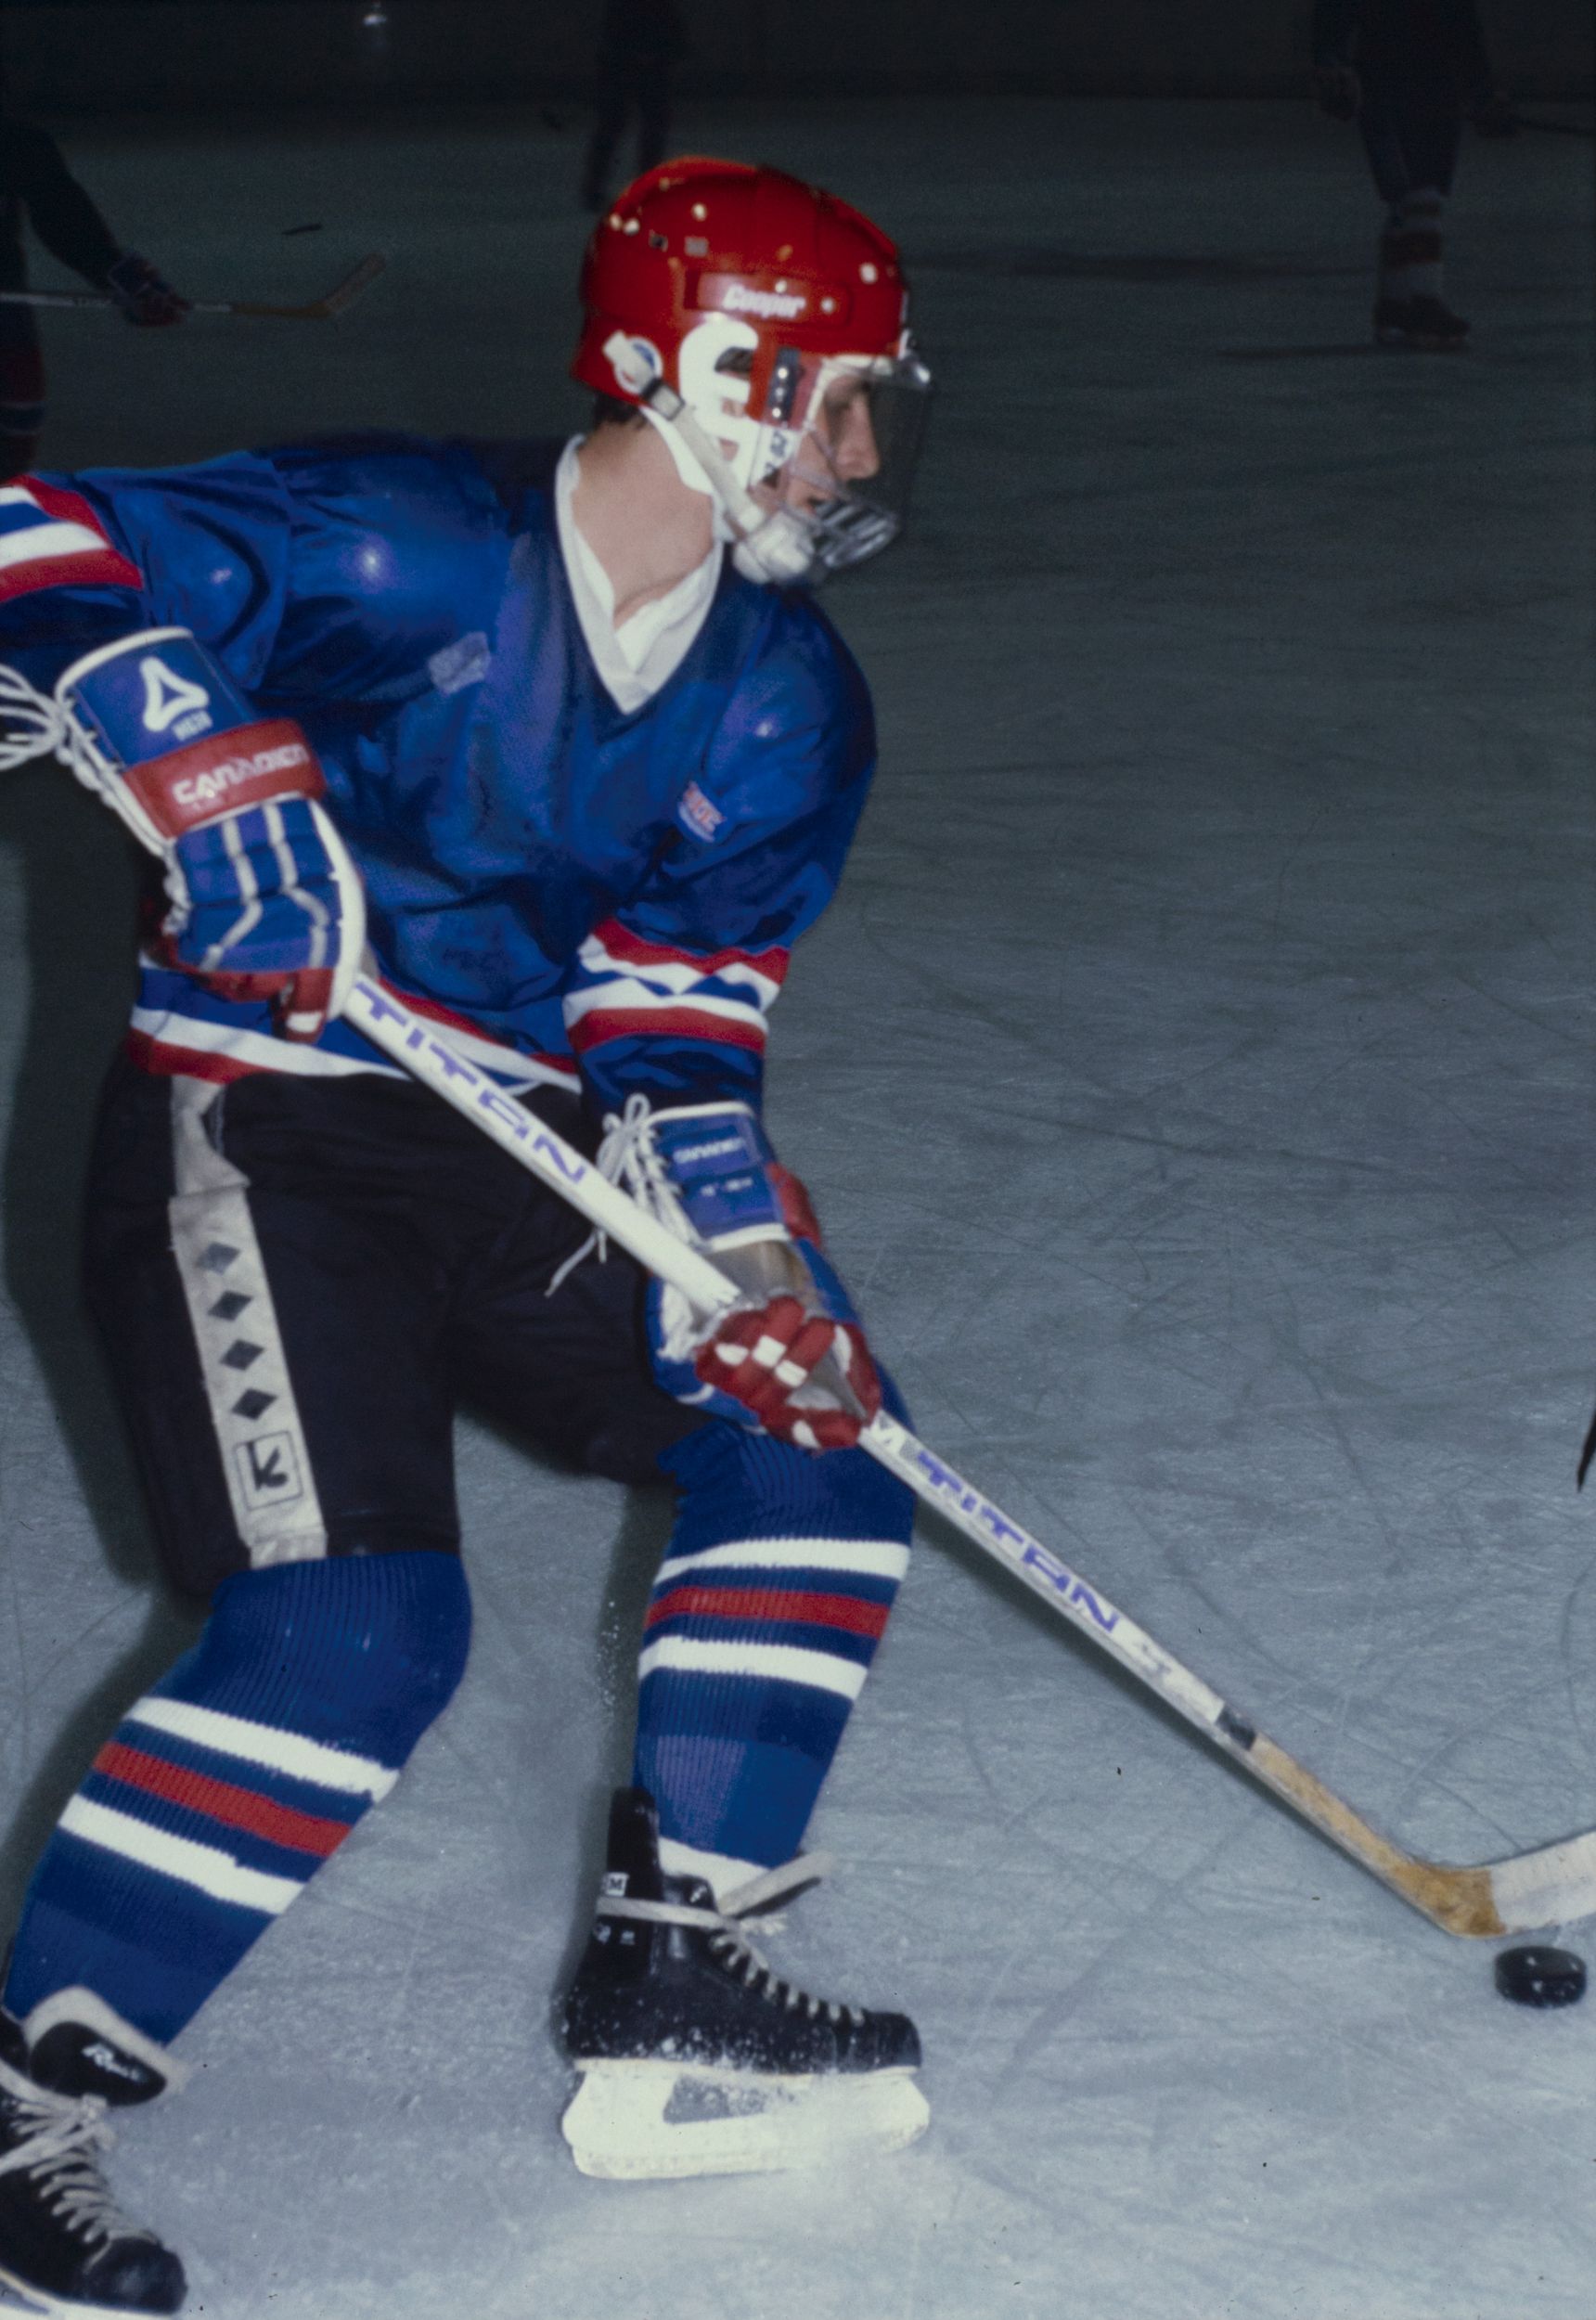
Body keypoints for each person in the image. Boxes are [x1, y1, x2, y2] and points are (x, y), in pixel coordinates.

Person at [0, 155, 933, 2314]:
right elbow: (36, 539)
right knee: (356, 1638)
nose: (859, 450)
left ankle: (683, 1964)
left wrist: (750, 1272)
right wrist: (190, 754)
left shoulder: (789, 698)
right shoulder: (394, 535)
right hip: (253, 1134)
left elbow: (676, 1023)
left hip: (518, 1147)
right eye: (824, 395)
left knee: (817, 1446)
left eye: (877, 401)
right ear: (680, 368)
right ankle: (27, 2092)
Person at [0, 70, 187, 476]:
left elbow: (57, 207)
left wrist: (114, 271)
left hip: (5, 315)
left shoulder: (13, 140)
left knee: (13, 442)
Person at [1310, 0, 1516, 350]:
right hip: (1397, 84)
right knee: (1420, 194)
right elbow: (1464, 27)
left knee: (1410, 197)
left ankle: (1397, 305)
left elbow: (1462, 25)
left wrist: (1333, 61)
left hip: (1413, 84)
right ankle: (1421, 300)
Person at [580, 0, 689, 212]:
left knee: (623, 127)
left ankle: (599, 187)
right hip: (633, 66)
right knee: (637, 128)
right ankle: (640, 187)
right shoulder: (651, 10)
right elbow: (672, 28)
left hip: (627, 66)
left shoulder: (629, 10)